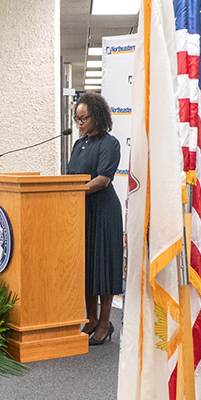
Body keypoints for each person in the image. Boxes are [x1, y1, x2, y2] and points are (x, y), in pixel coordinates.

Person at [66, 91, 123, 346]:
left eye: (84, 118)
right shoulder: (79, 144)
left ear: (97, 116)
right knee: (87, 267)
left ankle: (104, 324)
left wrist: (75, 190)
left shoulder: (110, 144)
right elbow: (71, 175)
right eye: (77, 119)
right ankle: (89, 319)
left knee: (104, 268)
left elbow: (102, 179)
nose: (80, 124)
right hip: (82, 212)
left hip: (104, 212)